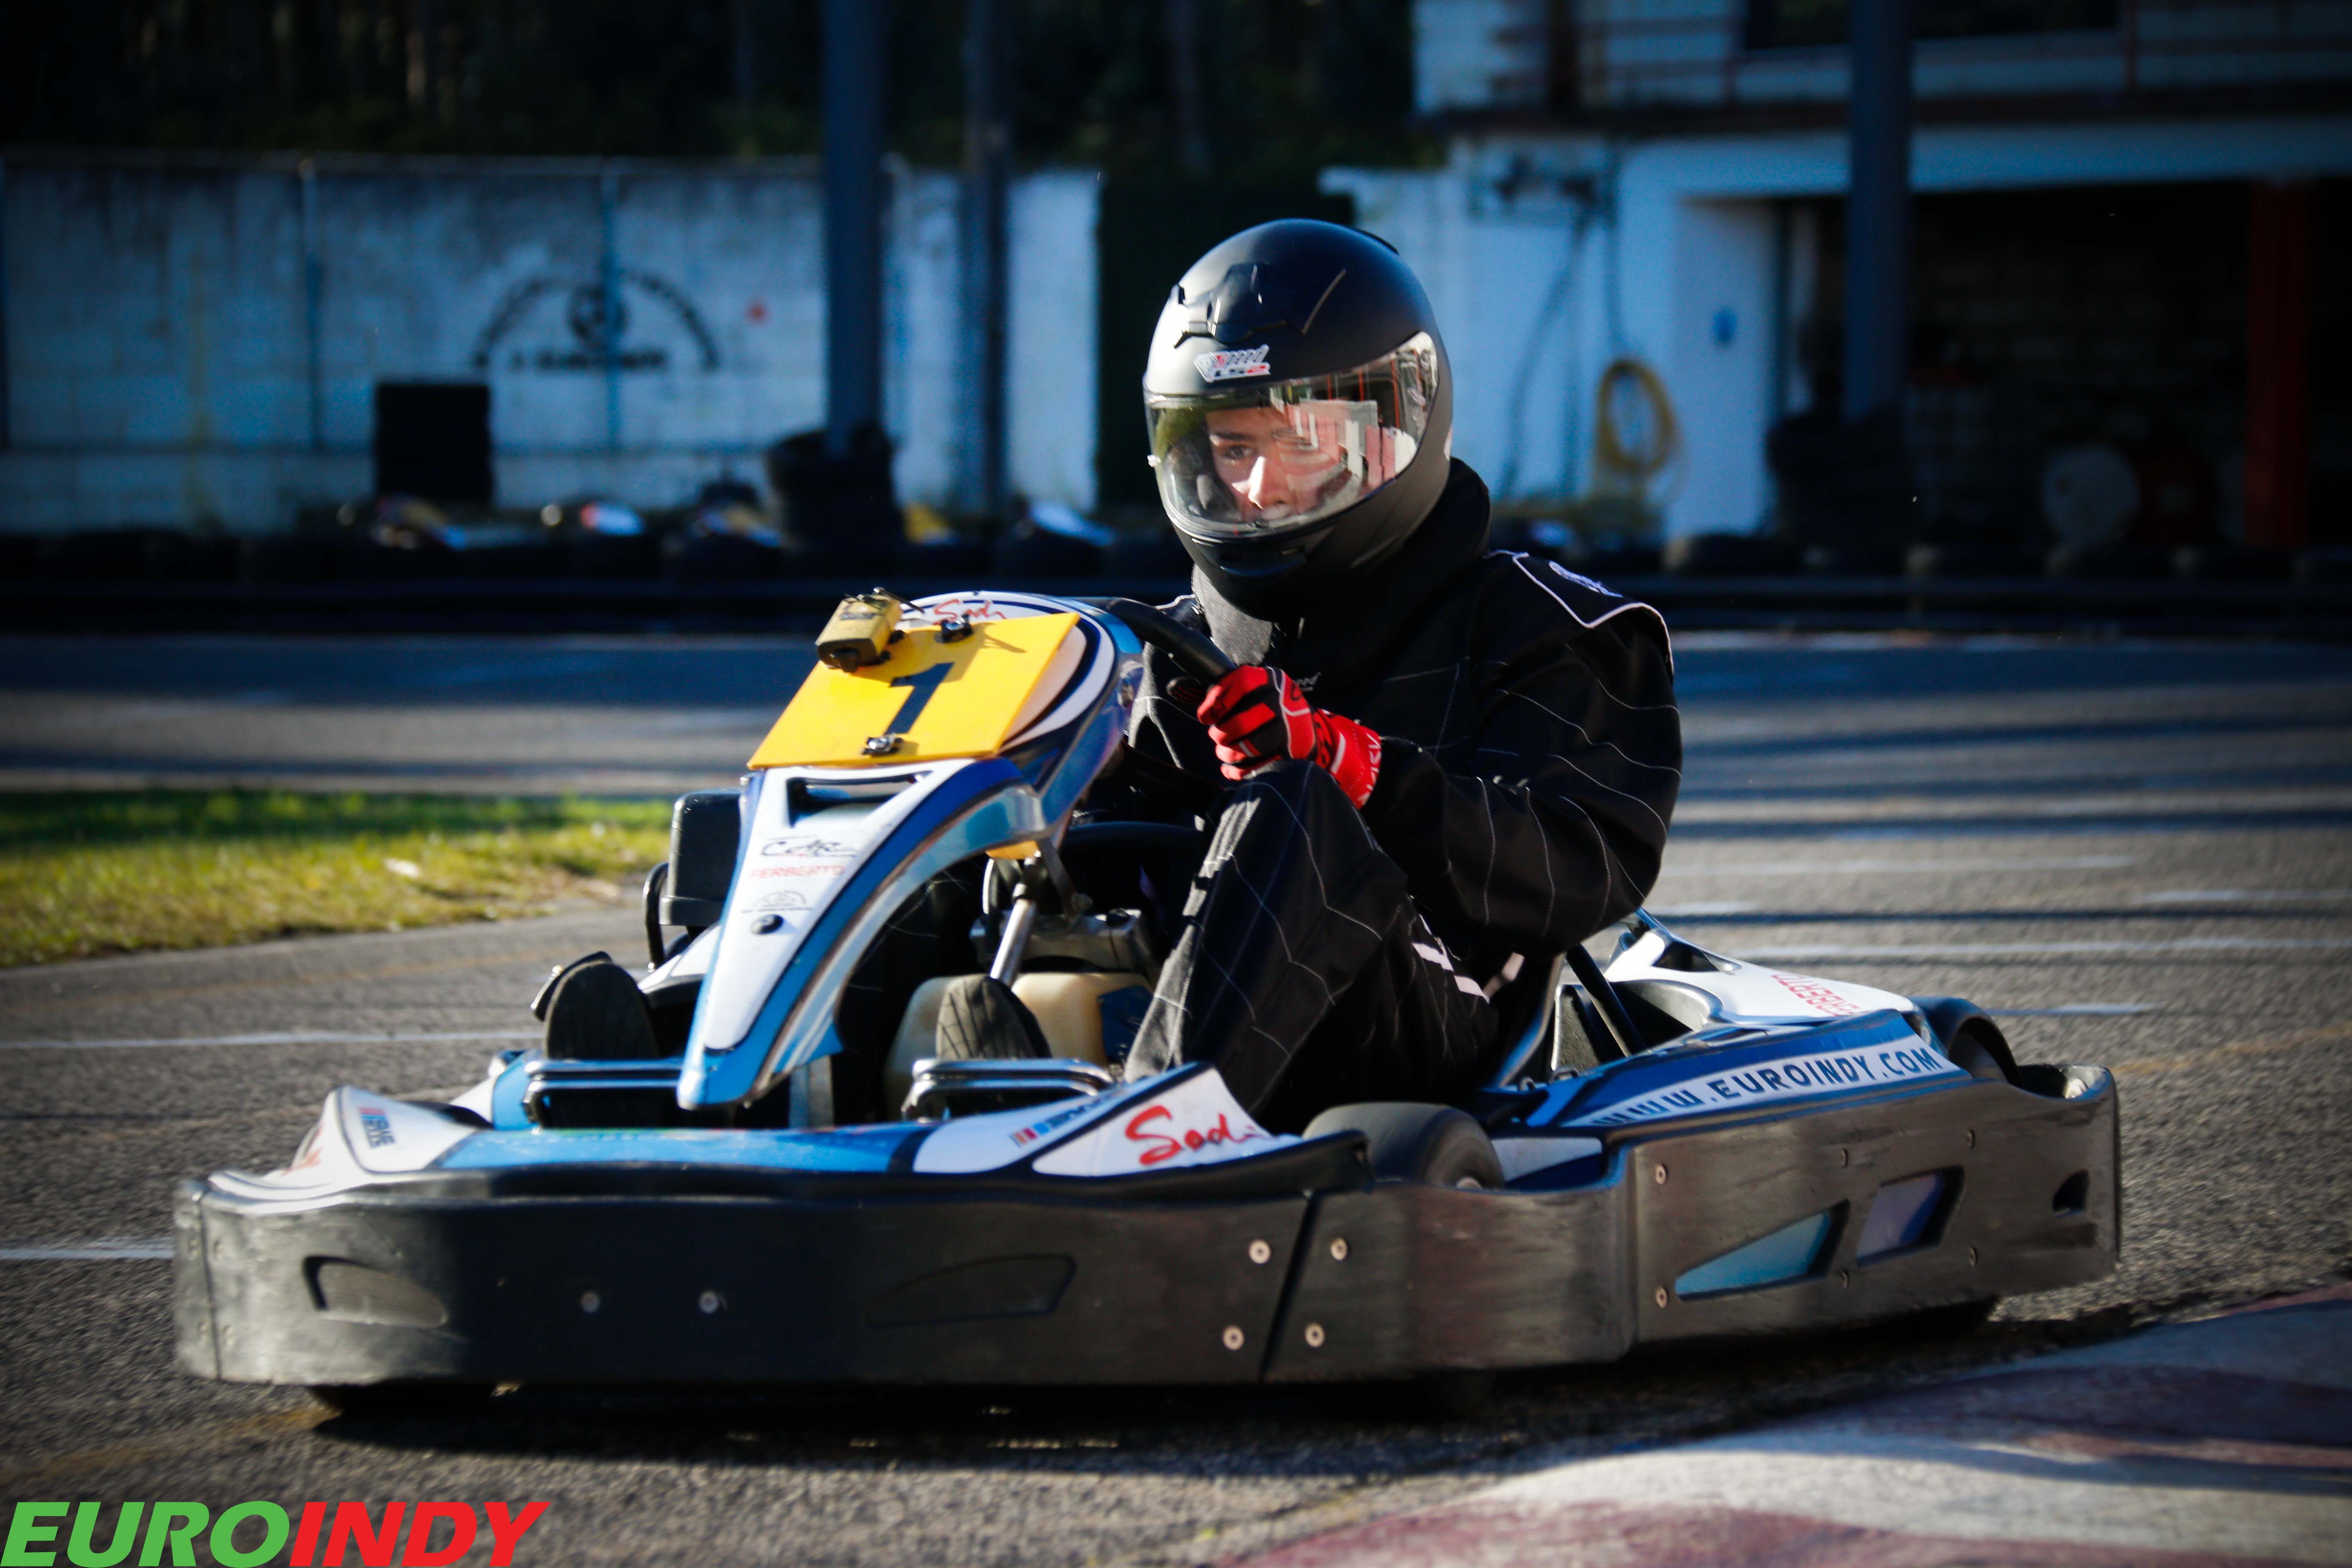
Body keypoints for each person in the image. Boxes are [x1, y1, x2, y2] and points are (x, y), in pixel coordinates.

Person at [1100, 218, 1684, 1131]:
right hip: (1183, 1007)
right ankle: (849, 1108)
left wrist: (1353, 768)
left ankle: (1136, 1147)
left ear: (1398, 423)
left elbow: (1583, 864)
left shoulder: (1539, 623)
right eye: (1235, 449)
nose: (1259, 490)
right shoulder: (1169, 657)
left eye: (1302, 444)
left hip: (1439, 1023)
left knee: (1293, 806)